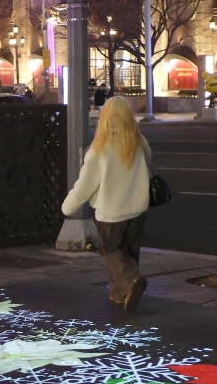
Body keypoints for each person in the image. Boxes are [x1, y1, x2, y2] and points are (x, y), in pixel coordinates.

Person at [61, 97, 152, 311]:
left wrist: (68, 207)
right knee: (129, 254)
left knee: (110, 251)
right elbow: (147, 168)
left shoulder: (100, 150)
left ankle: (131, 282)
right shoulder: (139, 143)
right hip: (137, 209)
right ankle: (120, 294)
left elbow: (85, 185)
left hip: (111, 212)